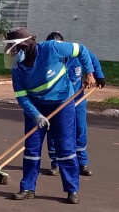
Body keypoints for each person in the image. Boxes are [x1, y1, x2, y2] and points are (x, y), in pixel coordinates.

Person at [3, 26, 96, 203]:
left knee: (65, 148)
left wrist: (89, 73)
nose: (14, 54)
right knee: (31, 150)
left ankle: (71, 190)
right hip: (36, 107)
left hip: (62, 104)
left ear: (26, 45)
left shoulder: (52, 48)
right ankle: (28, 188)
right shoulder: (17, 67)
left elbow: (81, 50)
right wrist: (36, 115)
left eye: (16, 49)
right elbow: (22, 96)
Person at [42, 30, 105, 178]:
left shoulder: (75, 55)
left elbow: (91, 58)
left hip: (77, 100)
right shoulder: (47, 60)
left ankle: (82, 163)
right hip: (56, 102)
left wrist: (98, 76)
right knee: (54, 132)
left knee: (79, 130)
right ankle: (56, 163)